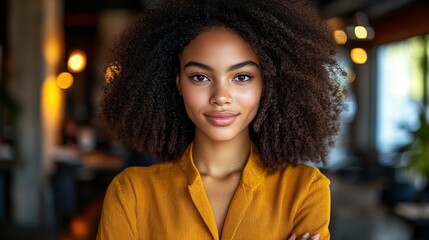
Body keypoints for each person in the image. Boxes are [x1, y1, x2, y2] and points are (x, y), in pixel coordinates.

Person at [97, 0, 343, 239]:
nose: (221, 97)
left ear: (266, 84)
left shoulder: (305, 190)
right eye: (200, 77)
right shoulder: (131, 193)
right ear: (178, 84)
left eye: (243, 77)